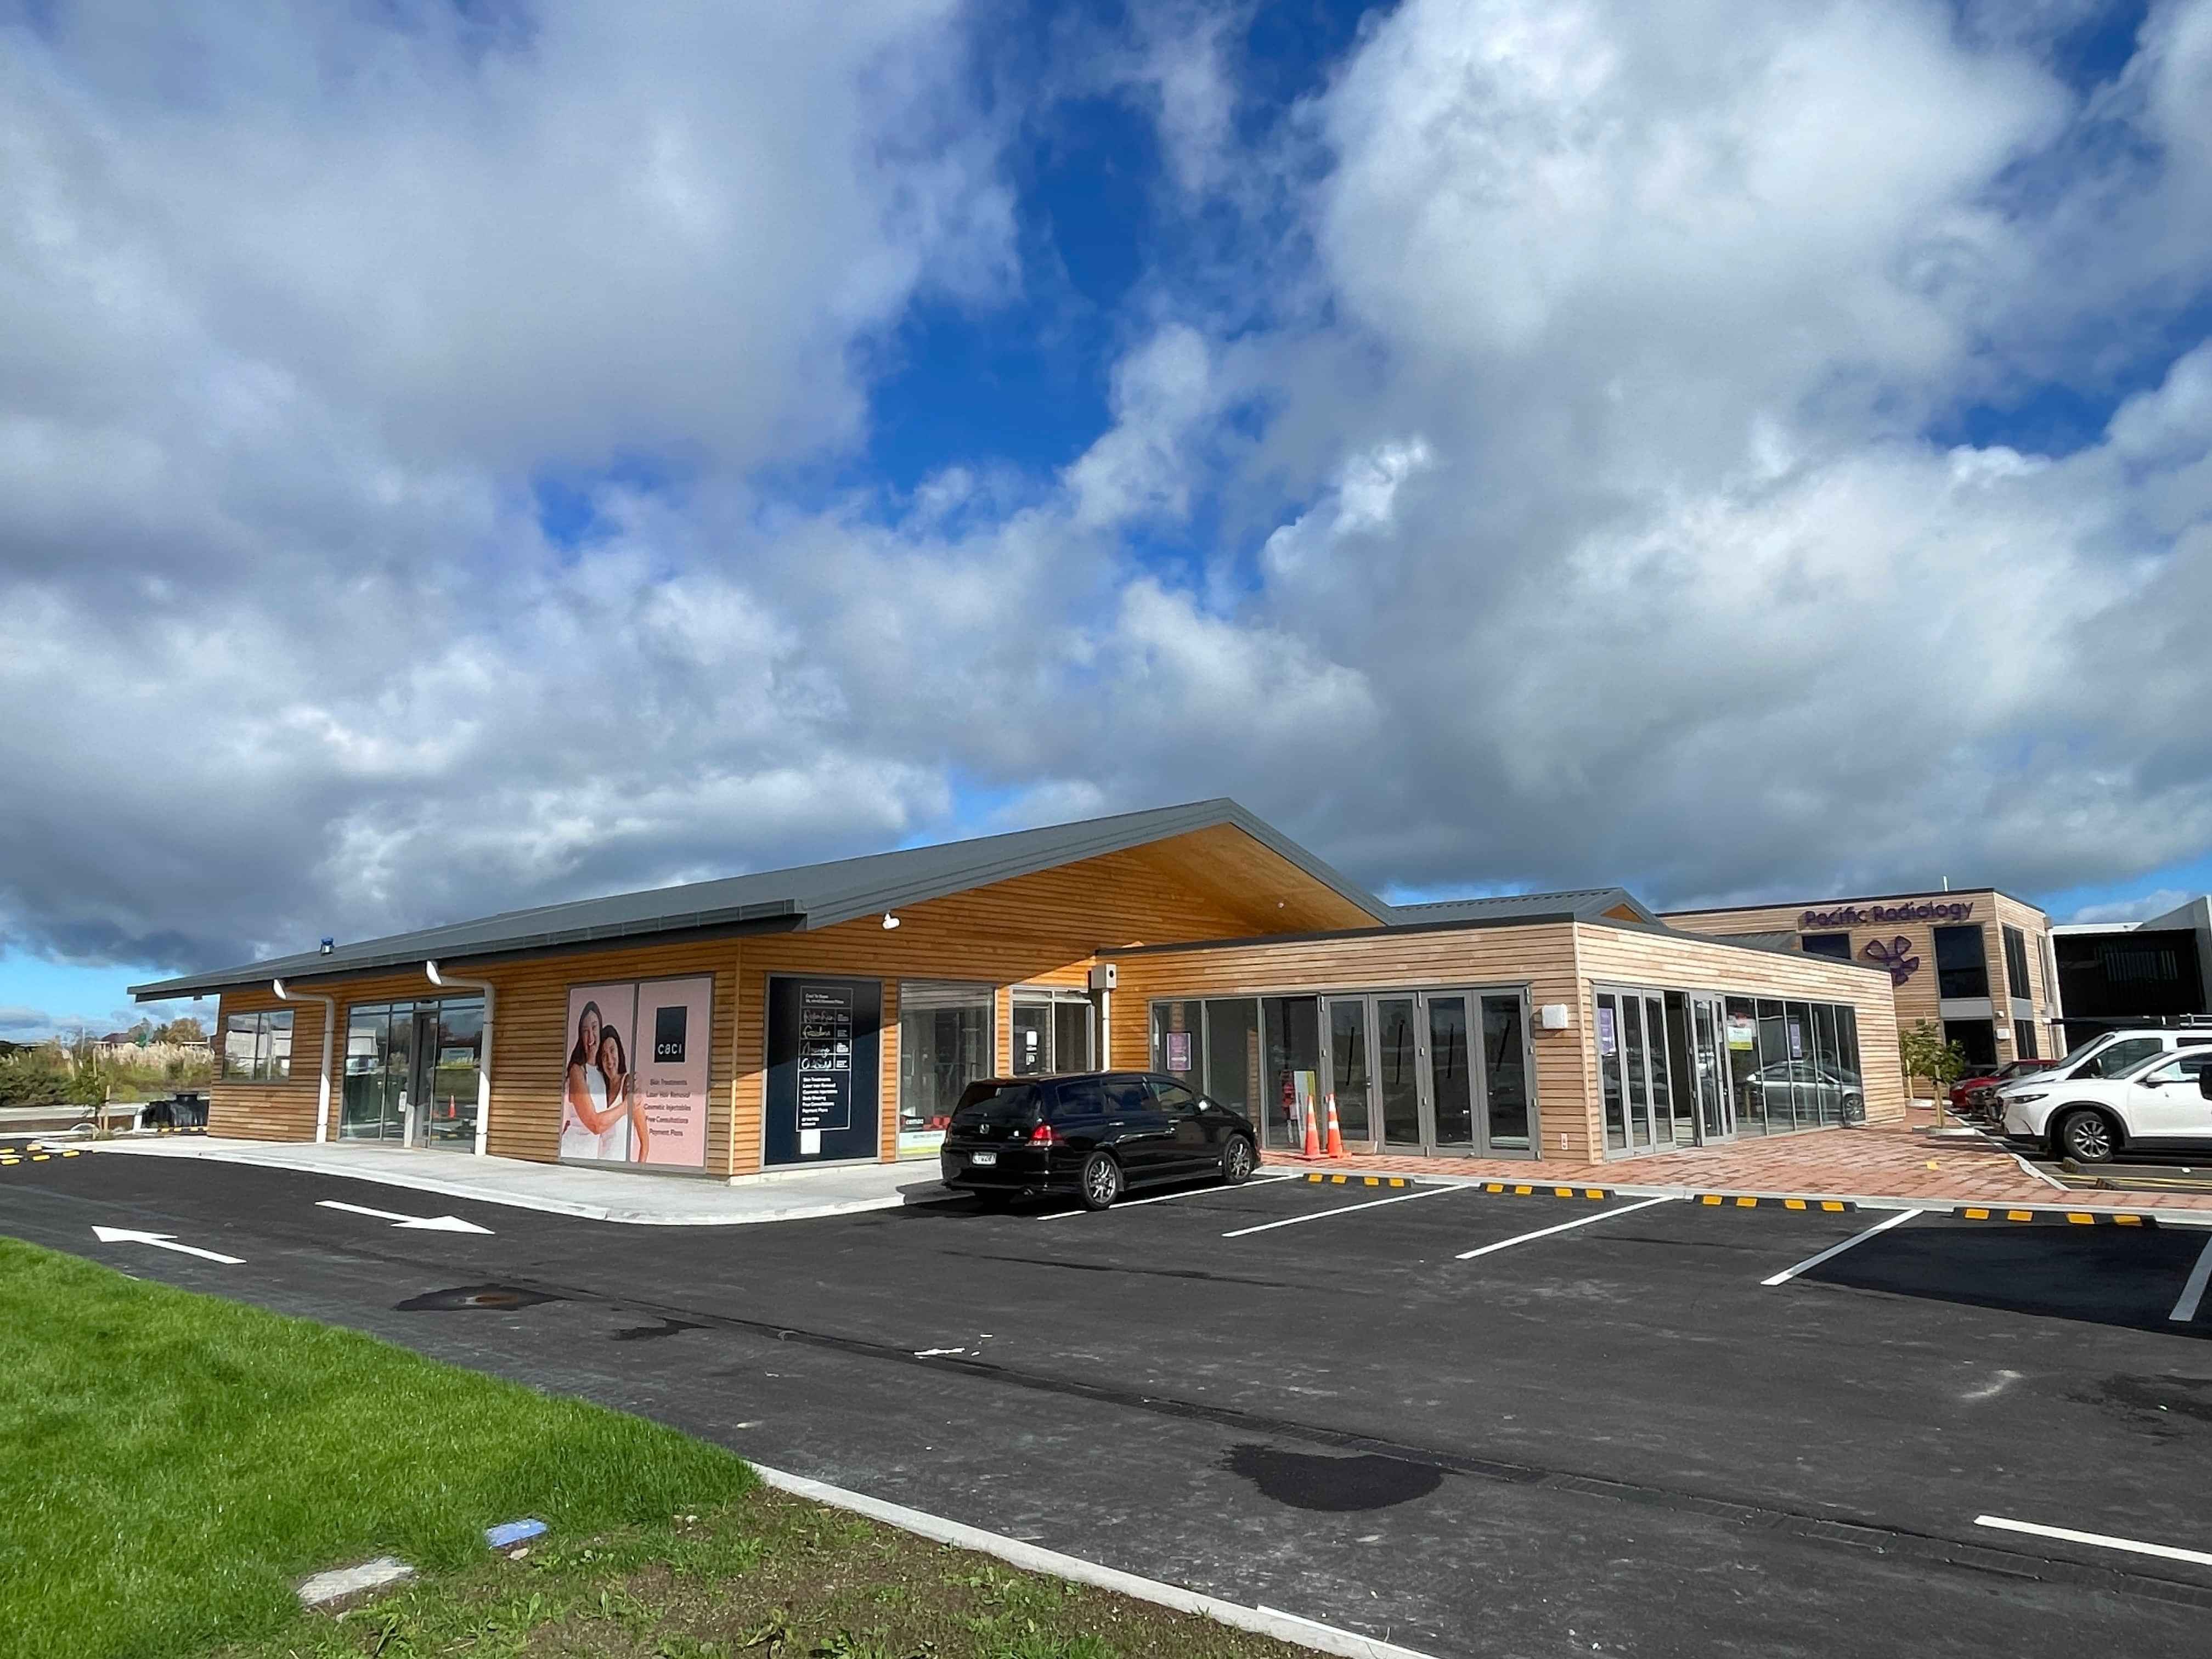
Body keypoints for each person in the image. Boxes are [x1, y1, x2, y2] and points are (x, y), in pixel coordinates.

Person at [561, 1001, 624, 1158]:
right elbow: (595, 1125)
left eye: (594, 1028)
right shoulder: (578, 1071)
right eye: (585, 1031)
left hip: (590, 1159)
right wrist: (627, 1106)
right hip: (572, 1154)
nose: (591, 1038)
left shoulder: (600, 1072)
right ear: (580, 1036)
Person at [594, 1025, 643, 1163]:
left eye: (612, 1051)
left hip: (620, 1173)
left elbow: (645, 1142)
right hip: (599, 1168)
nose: (609, 1060)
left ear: (619, 1052)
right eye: (604, 1055)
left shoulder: (629, 1084)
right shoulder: (601, 1089)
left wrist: (638, 1175)